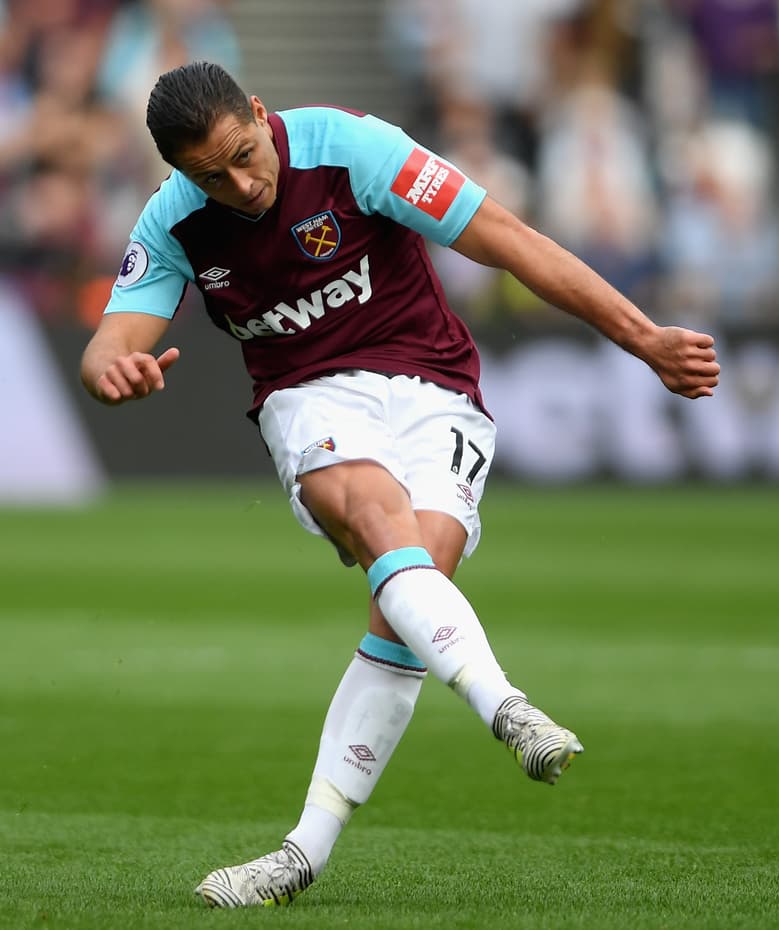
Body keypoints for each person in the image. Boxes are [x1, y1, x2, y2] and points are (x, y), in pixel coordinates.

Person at [79, 61, 720, 908]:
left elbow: (509, 239)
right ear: (178, 174)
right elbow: (110, 341)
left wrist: (645, 339)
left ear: (260, 114)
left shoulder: (353, 149)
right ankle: (508, 707)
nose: (240, 185)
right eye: (211, 176)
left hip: (435, 387)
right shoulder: (174, 220)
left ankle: (301, 854)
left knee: (410, 601)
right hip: (308, 397)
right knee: (381, 524)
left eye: (244, 155)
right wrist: (109, 371)